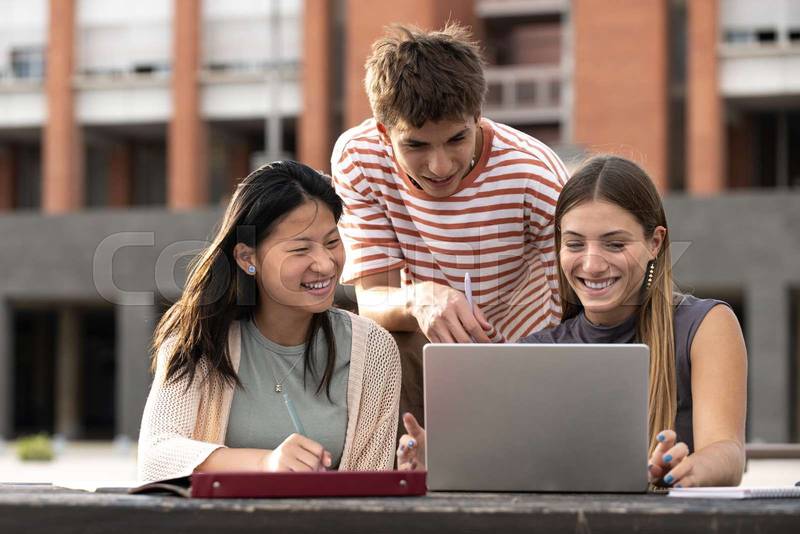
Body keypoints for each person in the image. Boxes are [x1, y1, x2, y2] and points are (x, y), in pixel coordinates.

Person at [397, 156, 747, 488]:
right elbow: (511, 465)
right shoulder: (534, 352)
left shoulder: (705, 326)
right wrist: (440, 461)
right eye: (575, 244)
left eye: (614, 244)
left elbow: (727, 452)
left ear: (655, 242)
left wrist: (686, 469)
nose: (592, 265)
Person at [331, 23, 570, 426]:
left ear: (477, 117)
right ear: (383, 132)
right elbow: (374, 300)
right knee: (378, 342)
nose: (439, 167)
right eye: (416, 145)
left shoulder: (535, 174)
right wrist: (418, 298)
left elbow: (575, 308)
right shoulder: (358, 158)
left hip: (527, 355)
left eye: (457, 139)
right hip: (426, 351)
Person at [137, 161, 401, 484]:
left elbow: (369, 489)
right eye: (301, 249)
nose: (325, 263)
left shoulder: (374, 351)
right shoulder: (200, 336)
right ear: (248, 258)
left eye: (332, 242)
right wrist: (265, 464)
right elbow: (155, 457)